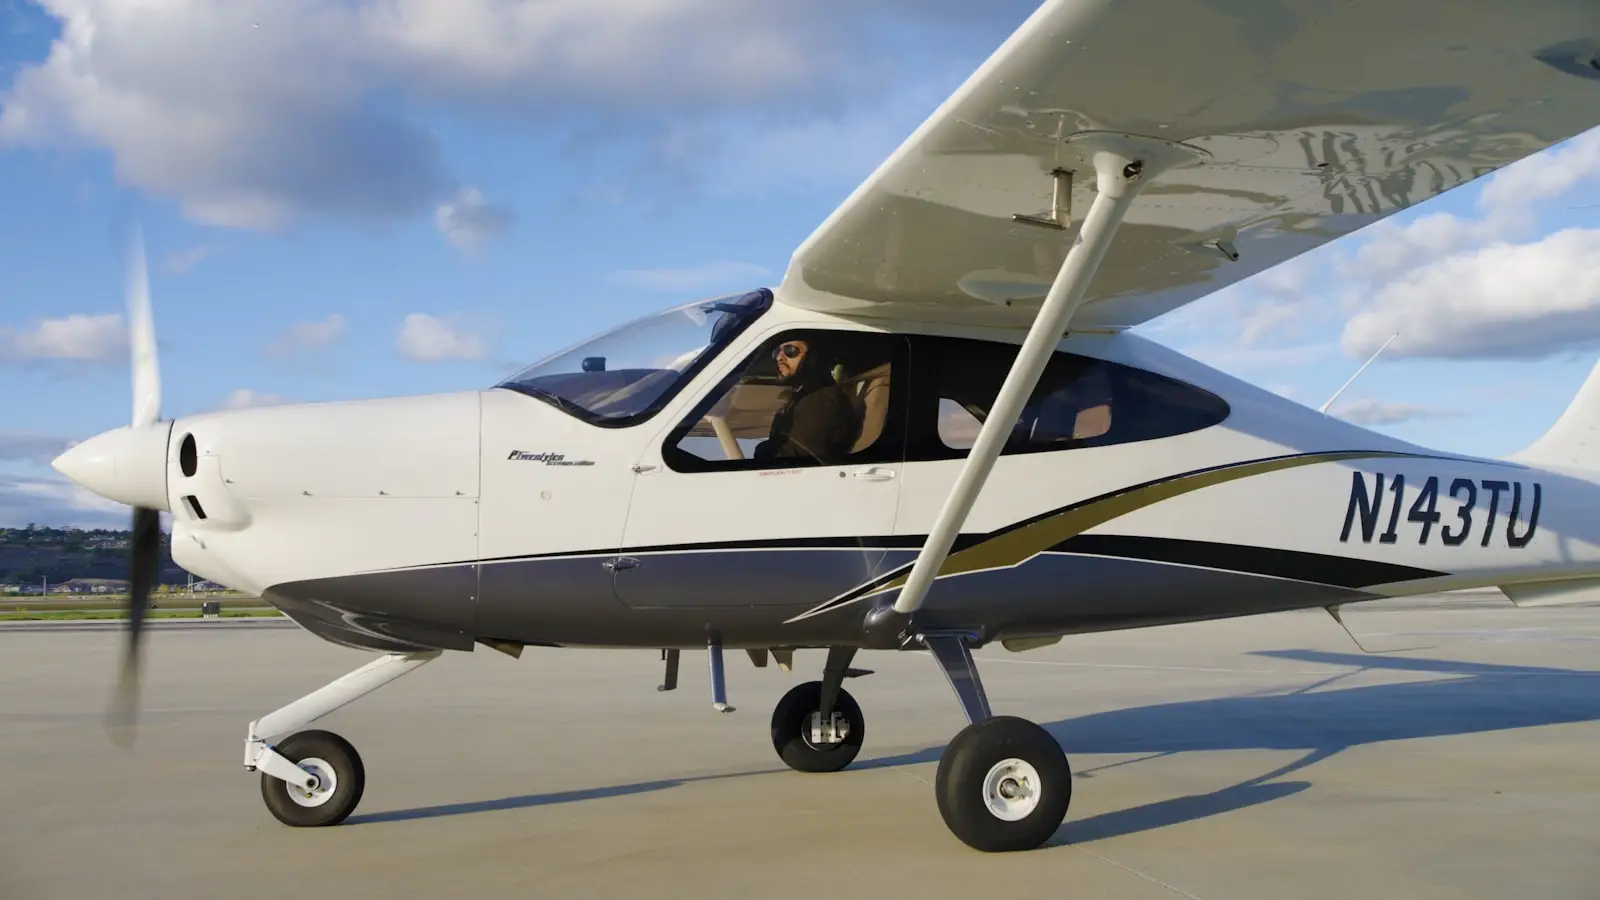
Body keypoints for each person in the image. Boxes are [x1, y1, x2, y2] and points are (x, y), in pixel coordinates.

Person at [753, 338, 860, 463]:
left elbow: (796, 461)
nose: (779, 358)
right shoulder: (804, 394)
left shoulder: (820, 401)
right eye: (776, 352)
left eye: (790, 350)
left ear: (812, 358)